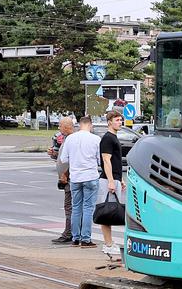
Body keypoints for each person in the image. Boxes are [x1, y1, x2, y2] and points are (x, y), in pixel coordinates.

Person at [58, 115, 102, 248]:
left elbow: (64, 159)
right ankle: (86, 239)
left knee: (76, 208)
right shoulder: (96, 139)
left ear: (79, 125)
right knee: (88, 208)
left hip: (75, 178)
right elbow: (100, 160)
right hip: (90, 176)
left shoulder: (70, 139)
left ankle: (75, 238)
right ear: (90, 125)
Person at [96, 110, 126, 259]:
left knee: (112, 211)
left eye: (121, 120)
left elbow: (115, 162)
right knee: (107, 211)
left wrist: (119, 179)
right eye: (117, 120)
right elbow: (106, 161)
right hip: (108, 180)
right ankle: (108, 245)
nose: (120, 122)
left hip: (114, 179)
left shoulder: (114, 137)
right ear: (109, 122)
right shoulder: (107, 138)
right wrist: (110, 181)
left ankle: (109, 243)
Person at [49, 115, 75, 244]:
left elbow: (71, 160)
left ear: (66, 127)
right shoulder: (67, 139)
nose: (59, 128)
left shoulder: (70, 139)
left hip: (69, 178)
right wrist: (54, 154)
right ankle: (72, 232)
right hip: (68, 178)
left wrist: (65, 174)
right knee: (71, 206)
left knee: (69, 206)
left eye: (60, 126)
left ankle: (69, 233)